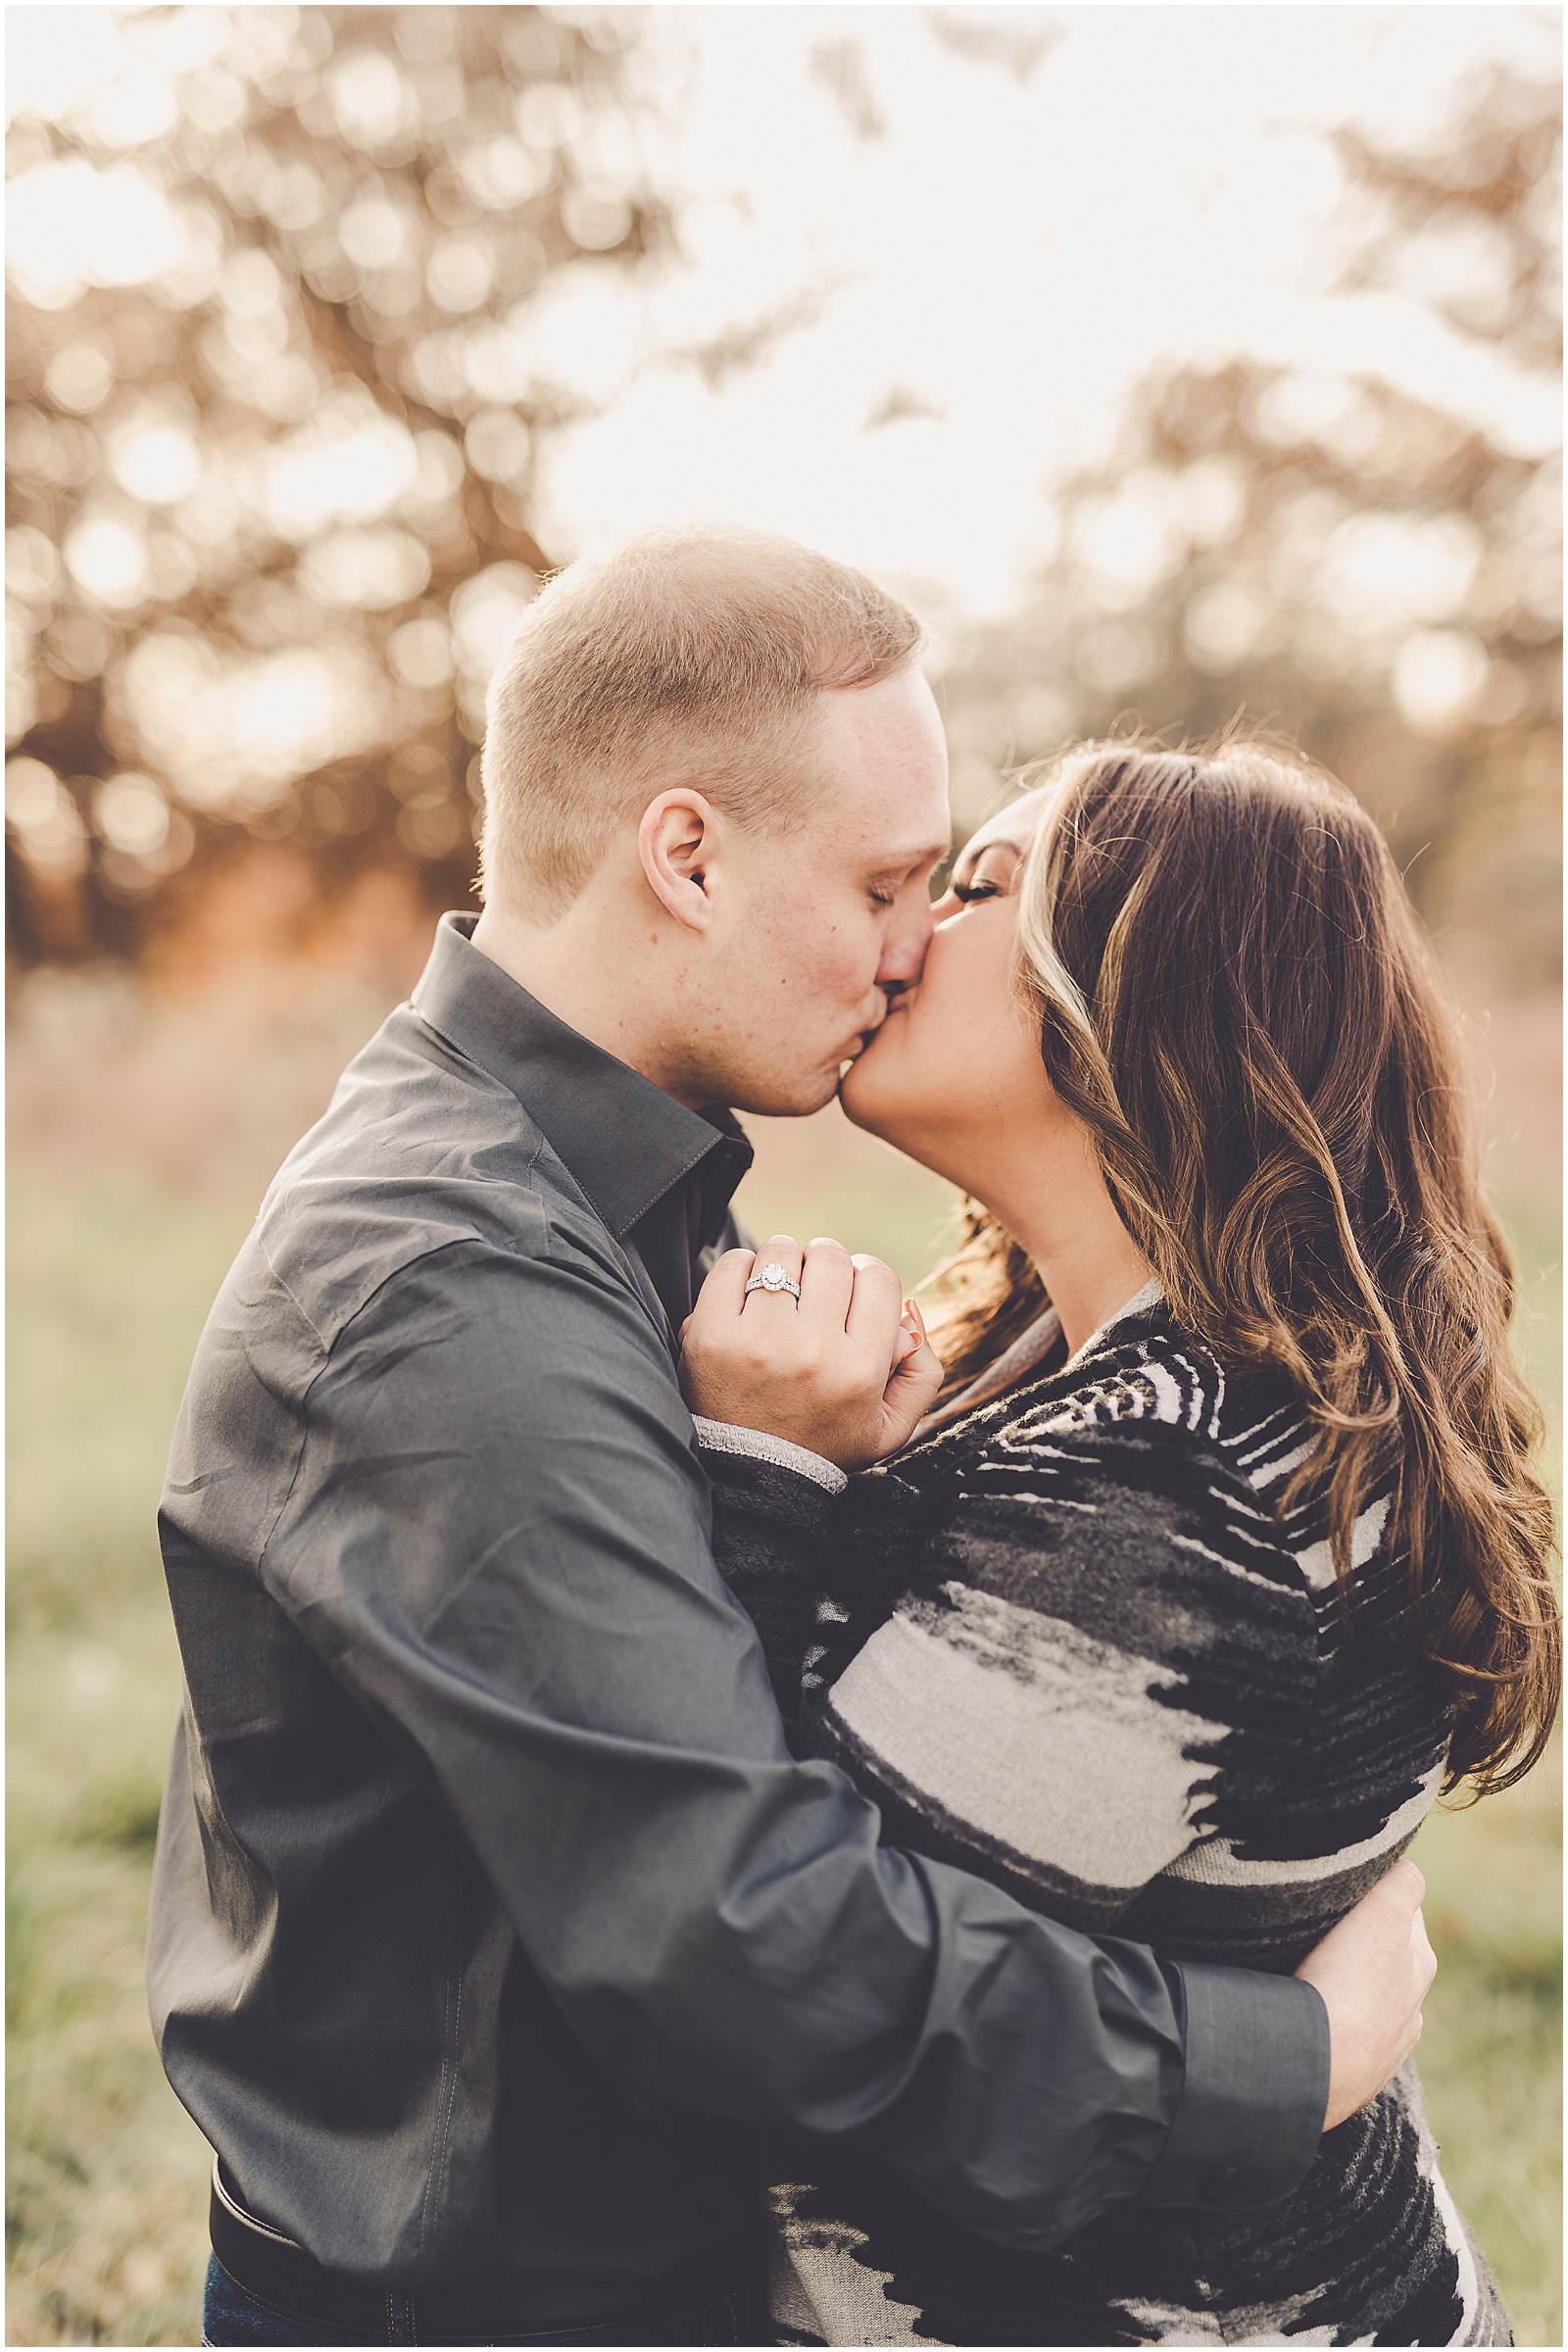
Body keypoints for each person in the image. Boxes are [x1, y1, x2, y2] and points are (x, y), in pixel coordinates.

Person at [149, 533, 1436, 2350]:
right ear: (687, 854)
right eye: (893, 881)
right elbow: (735, 1940)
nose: (919, 945)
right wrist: (1283, 2059)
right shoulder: (447, 1282)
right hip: (493, 2309)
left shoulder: (640, 1188)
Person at [679, 739, 1560, 2346]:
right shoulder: (1169, 1374)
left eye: (979, 889)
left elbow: (783, 1992)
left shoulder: (1175, 1481)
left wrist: (762, 1481)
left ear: (1156, 983)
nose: (900, 939)